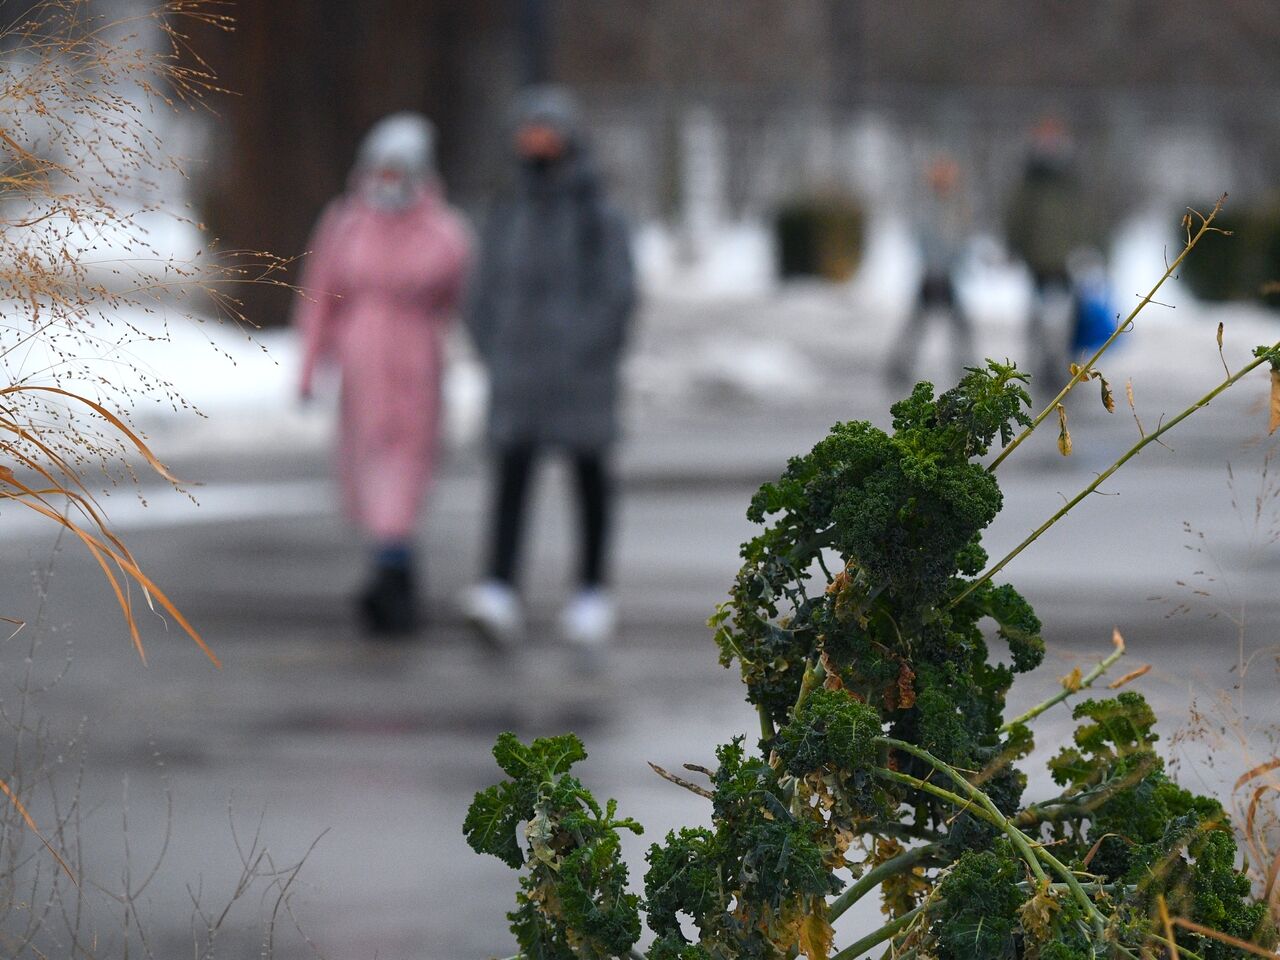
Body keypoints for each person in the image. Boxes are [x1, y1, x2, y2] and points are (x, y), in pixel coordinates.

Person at [462, 85, 635, 653]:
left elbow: (619, 293)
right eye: (527, 128)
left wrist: (586, 348)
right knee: (511, 479)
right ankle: (498, 587)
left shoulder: (597, 213)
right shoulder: (506, 209)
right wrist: (492, 344)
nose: (535, 140)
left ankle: (591, 592)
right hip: (517, 374)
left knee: (589, 480)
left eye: (546, 128)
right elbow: (482, 288)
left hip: (581, 379)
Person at [292, 112, 471, 636]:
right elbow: (320, 297)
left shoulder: (444, 231)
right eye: (383, 170)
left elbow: (459, 293)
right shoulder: (345, 224)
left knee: (410, 464)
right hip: (361, 365)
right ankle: (393, 570)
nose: (390, 183)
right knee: (366, 466)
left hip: (416, 362)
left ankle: (391, 578)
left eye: (401, 172)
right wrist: (309, 367)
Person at [1005, 117, 1090, 390]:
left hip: (1065, 256)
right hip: (1038, 256)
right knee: (1038, 314)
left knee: (1069, 315)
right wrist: (1014, 245)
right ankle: (1042, 365)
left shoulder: (1069, 173)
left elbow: (1082, 212)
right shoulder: (1031, 174)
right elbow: (1018, 213)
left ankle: (1066, 364)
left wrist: (1085, 245)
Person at [887, 154, 974, 387]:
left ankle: (967, 367)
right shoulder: (928, 207)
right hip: (932, 274)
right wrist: (935, 264)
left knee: (959, 325)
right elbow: (923, 238)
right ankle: (900, 366)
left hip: (948, 275)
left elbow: (962, 238)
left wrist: (956, 261)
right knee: (918, 324)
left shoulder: (957, 205)